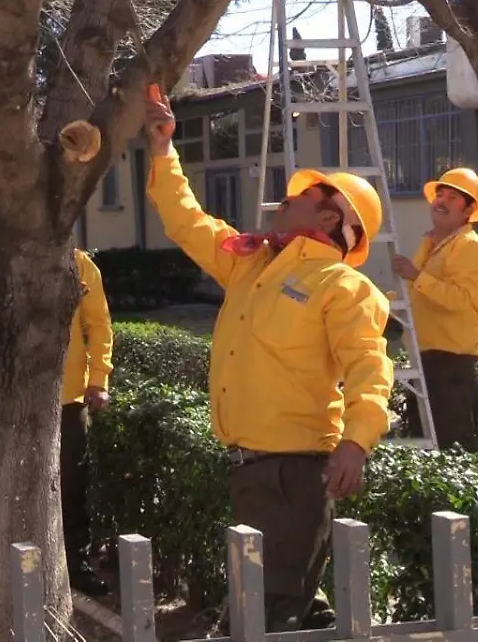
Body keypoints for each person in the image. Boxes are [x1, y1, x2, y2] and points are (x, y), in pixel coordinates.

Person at [143, 88, 394, 632]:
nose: (283, 202)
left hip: (294, 474)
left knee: (266, 617)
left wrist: (357, 440)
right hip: (256, 472)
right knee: (286, 611)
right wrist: (165, 151)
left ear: (330, 217)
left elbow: (369, 366)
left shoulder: (340, 285)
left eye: (298, 198)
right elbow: (188, 222)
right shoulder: (253, 265)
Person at [392, 168, 478, 451]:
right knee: (423, 453)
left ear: (468, 211)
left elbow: (460, 301)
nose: (442, 201)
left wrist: (416, 275)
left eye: (453, 197)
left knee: (451, 456)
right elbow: (415, 295)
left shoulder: (470, 247)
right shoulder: (431, 243)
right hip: (426, 361)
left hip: (453, 366)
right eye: (440, 194)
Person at [60, 248, 114, 597]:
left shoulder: (79, 264)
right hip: (15, 402)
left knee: (72, 486)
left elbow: (98, 324)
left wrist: (99, 379)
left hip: (69, 399)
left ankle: (76, 565)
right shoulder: (3, 256)